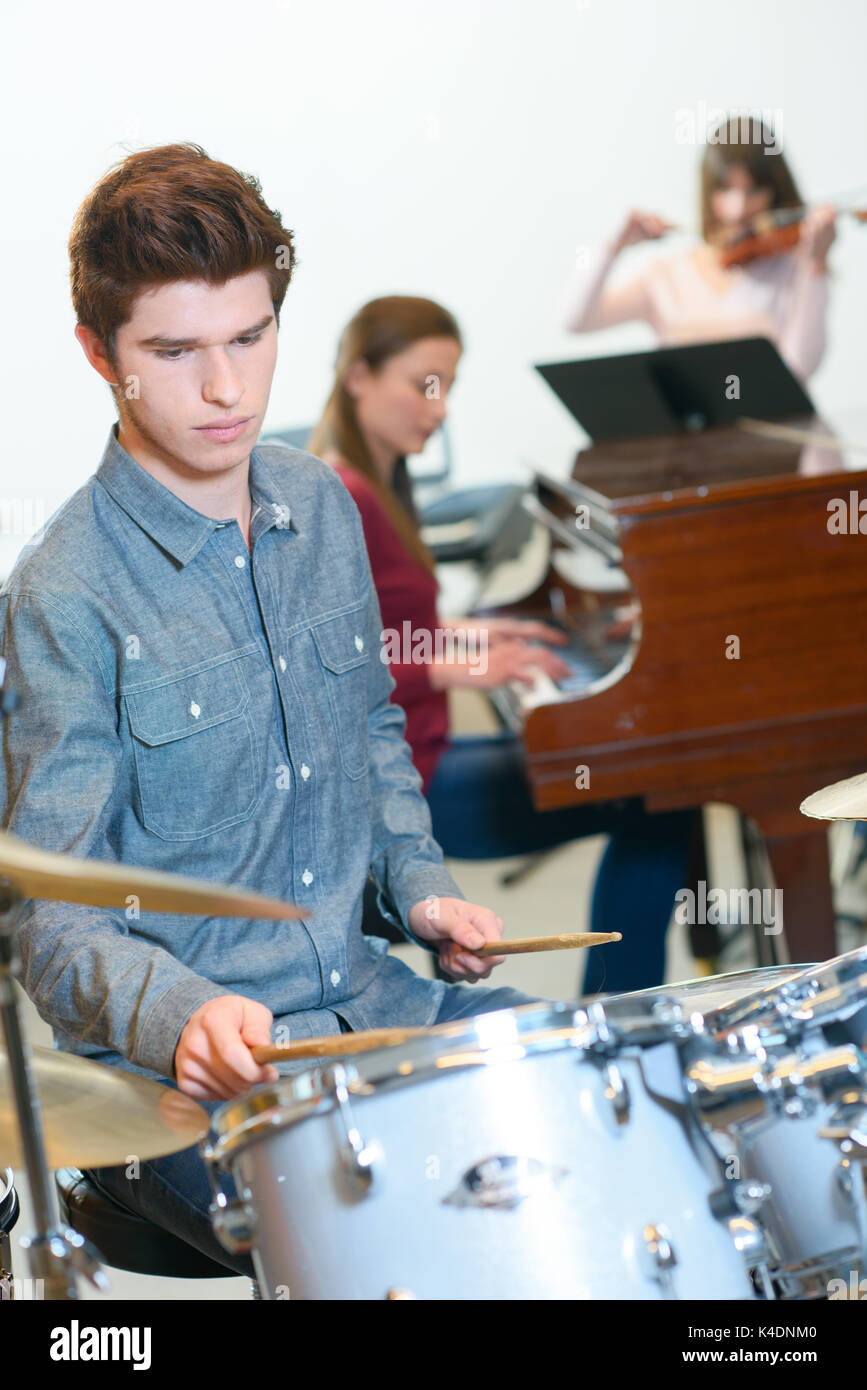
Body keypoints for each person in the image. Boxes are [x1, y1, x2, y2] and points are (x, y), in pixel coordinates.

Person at [0, 145, 538, 1280]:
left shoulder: (320, 506)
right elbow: (50, 916)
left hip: (380, 1006)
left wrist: (421, 883)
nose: (227, 388)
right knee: (414, 1243)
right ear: (101, 354)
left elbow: (371, 741)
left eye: (251, 337)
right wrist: (180, 1012)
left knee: (617, 1113)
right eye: (175, 350)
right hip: (185, 1085)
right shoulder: (63, 592)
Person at [310, 295, 697, 998]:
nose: (439, 406)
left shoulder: (375, 480)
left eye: (449, 386)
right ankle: (614, 1014)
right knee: (657, 798)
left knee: (652, 789)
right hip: (408, 783)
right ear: (359, 376)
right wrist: (462, 667)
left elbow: (378, 629)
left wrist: (477, 634)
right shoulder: (345, 492)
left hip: (420, 756)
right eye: (424, 383)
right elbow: (323, 662)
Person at [560, 115, 835, 382]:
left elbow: (801, 366)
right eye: (726, 190)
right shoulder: (665, 276)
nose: (738, 209)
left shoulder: (791, 271)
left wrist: (816, 264)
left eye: (753, 191)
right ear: (708, 190)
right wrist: (613, 246)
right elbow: (575, 320)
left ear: (774, 192)